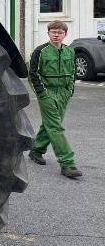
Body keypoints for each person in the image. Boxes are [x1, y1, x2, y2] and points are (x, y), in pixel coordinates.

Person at [27, 20, 82, 179]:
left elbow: (73, 72)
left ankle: (36, 150)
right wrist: (42, 94)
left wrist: (69, 90)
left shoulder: (70, 51)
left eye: (60, 32)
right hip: (47, 93)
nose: (56, 35)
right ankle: (67, 163)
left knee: (50, 124)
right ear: (48, 33)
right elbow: (32, 74)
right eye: (53, 32)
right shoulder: (40, 51)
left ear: (65, 34)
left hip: (63, 93)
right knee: (55, 127)